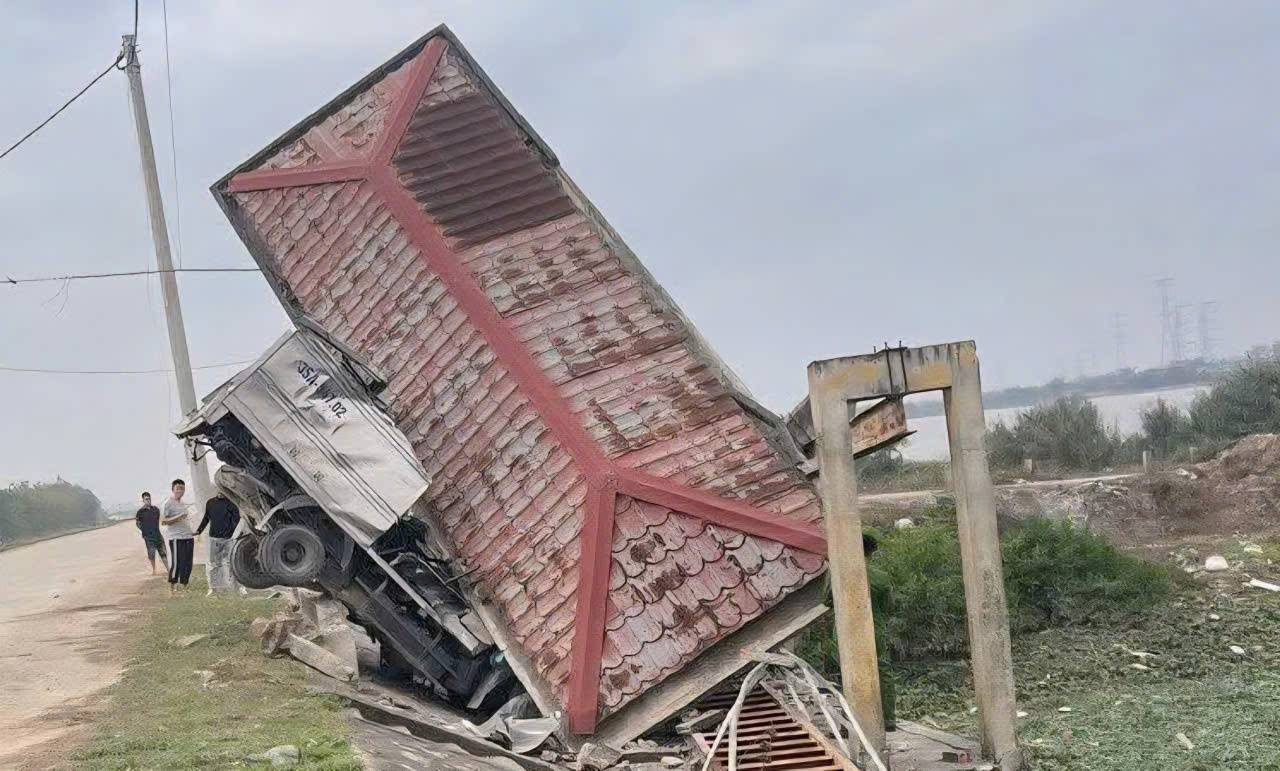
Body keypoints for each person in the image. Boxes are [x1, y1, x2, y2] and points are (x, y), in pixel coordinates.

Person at [195, 491, 241, 595]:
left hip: (229, 539)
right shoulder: (210, 502)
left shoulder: (232, 503)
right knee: (213, 564)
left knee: (232, 563)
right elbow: (206, 518)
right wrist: (199, 530)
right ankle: (213, 588)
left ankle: (237, 587)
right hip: (214, 538)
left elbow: (237, 520)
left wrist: (233, 534)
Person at [161, 478, 196, 593]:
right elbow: (164, 521)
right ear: (173, 489)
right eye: (178, 488)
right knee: (177, 563)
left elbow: (186, 519)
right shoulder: (168, 503)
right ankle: (172, 587)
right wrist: (179, 516)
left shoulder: (182, 503)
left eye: (182, 488)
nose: (180, 491)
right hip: (176, 538)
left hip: (188, 536)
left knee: (188, 563)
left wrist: (192, 531)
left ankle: (185, 586)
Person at [134, 492, 169, 576]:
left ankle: (168, 569)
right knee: (151, 554)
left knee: (163, 553)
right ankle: (154, 570)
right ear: (143, 500)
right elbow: (138, 523)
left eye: (149, 499)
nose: (148, 500)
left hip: (158, 535)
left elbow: (158, 519)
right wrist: (145, 531)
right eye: (146, 499)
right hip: (148, 537)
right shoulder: (140, 512)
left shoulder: (155, 509)